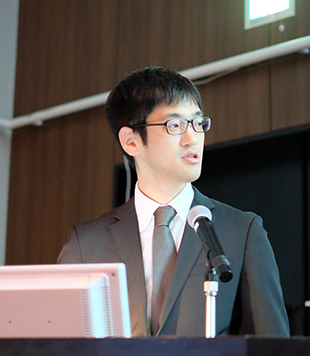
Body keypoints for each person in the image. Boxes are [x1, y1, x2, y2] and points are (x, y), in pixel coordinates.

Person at [58, 66, 290, 337]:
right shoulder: (86, 244)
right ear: (131, 141)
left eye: (198, 123)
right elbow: (61, 350)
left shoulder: (241, 231)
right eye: (175, 125)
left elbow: (272, 347)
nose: (192, 139)